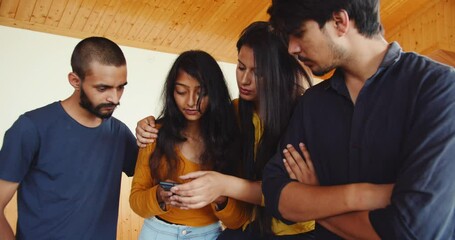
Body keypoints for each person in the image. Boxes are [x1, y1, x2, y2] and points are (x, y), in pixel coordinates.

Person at [135, 21, 391, 240]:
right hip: (252, 227)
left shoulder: (306, 113)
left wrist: (223, 185)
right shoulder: (234, 111)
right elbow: (192, 118)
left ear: (279, 72)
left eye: (258, 73)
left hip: (299, 230)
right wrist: (149, 125)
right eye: (241, 67)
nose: (244, 80)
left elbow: (288, 193)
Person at [263, 0, 455, 239]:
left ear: (339, 22)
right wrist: (360, 195)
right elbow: (274, 192)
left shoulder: (439, 88)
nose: (291, 48)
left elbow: (411, 231)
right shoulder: (312, 103)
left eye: (298, 33)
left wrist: (316, 197)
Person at [0, 37, 138, 240]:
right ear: (75, 81)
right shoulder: (30, 127)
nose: (115, 98)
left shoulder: (119, 133)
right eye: (103, 88)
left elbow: (156, 176)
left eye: (120, 87)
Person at [129, 50, 249, 240]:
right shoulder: (153, 133)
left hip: (208, 234)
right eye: (182, 92)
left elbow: (238, 220)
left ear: (215, 93)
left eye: (201, 92)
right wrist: (160, 195)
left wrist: (218, 194)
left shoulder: (229, 137)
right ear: (171, 92)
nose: (191, 102)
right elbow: (136, 202)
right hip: (157, 233)